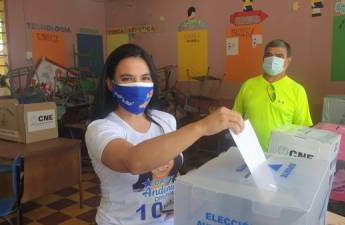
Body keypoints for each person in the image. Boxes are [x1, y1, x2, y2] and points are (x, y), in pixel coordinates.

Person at [85, 44, 243, 225]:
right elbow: (134, 161)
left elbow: (172, 176)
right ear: (110, 84)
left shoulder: (166, 120)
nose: (138, 86)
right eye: (127, 78)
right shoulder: (100, 129)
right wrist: (201, 127)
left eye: (145, 78)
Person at [233, 39, 312, 151]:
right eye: (269, 55)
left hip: (282, 155)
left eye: (279, 56)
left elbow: (302, 130)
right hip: (249, 153)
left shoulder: (297, 91)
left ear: (288, 61)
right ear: (263, 59)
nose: (273, 59)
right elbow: (236, 118)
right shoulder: (248, 85)